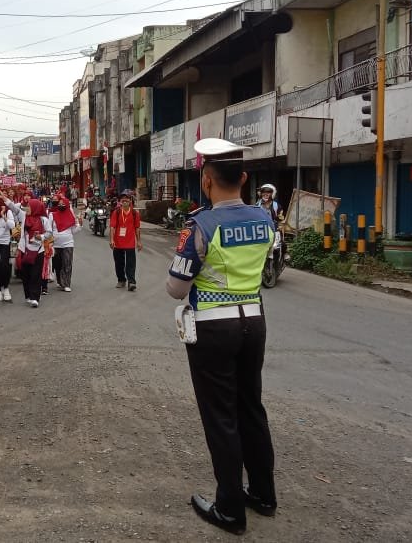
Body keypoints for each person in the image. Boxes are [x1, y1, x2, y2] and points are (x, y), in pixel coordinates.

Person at [165, 141, 277, 536]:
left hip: (214, 328)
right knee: (251, 408)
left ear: (206, 180)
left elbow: (176, 289)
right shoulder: (266, 219)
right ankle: (263, 494)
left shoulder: (200, 225)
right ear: (244, 179)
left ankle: (230, 508)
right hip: (254, 322)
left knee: (221, 416)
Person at [110, 191, 142, 291]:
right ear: (120, 201)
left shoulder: (134, 213)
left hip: (130, 243)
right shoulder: (117, 212)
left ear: (130, 201)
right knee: (119, 263)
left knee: (131, 264)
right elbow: (112, 227)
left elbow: (137, 228)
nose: (125, 201)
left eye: (127, 199)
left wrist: (139, 241)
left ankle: (131, 282)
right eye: (123, 199)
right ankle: (121, 280)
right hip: (118, 242)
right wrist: (111, 240)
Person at [48, 194, 79, 292]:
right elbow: (49, 230)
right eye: (59, 204)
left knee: (67, 263)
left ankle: (66, 283)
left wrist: (80, 224)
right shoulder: (52, 215)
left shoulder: (70, 216)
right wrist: (49, 242)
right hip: (56, 244)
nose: (61, 205)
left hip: (68, 243)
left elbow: (74, 231)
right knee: (58, 264)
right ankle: (60, 281)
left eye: (63, 204)